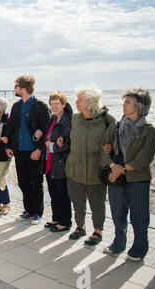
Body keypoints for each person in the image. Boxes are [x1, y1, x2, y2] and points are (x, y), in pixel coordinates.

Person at [102, 87, 155, 261]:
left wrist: (121, 169)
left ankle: (139, 248)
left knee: (139, 216)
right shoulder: (116, 126)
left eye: (128, 102)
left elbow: (145, 158)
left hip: (138, 179)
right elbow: (103, 149)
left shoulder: (149, 130)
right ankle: (119, 242)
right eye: (124, 101)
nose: (124, 105)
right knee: (118, 213)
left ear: (140, 107)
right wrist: (112, 165)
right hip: (116, 178)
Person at [66, 84, 115, 245]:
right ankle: (80, 227)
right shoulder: (75, 118)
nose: (76, 102)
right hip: (75, 168)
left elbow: (116, 144)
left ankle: (98, 230)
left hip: (96, 170)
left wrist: (109, 155)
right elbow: (70, 139)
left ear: (90, 102)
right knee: (77, 201)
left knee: (97, 203)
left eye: (79, 100)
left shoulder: (107, 120)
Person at [4, 75, 50, 225]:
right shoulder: (16, 106)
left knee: (36, 183)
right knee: (23, 182)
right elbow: (11, 128)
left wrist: (39, 149)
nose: (15, 89)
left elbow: (46, 130)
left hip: (34, 151)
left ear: (23, 87)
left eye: (16, 86)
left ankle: (37, 212)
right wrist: (8, 146)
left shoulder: (41, 106)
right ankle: (28, 210)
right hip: (19, 150)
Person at [36, 91, 73, 232]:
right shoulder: (52, 119)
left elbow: (67, 144)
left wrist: (52, 146)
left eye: (57, 103)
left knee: (62, 193)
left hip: (61, 163)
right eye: (51, 104)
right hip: (50, 162)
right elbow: (48, 138)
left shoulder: (67, 121)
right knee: (53, 193)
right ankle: (56, 218)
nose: (54, 106)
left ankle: (65, 221)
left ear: (63, 104)